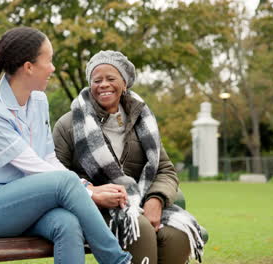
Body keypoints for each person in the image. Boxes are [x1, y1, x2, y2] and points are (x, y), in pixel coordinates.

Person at [0, 28, 133, 264]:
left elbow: (48, 158)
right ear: (29, 67)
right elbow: (32, 167)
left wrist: (85, 187)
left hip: (24, 207)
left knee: (67, 224)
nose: (53, 68)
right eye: (49, 61)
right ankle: (119, 261)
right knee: (67, 182)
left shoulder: (38, 100)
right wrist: (90, 192)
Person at [53, 50, 204, 264]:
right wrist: (93, 192)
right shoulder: (68, 125)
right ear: (90, 85)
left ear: (124, 83)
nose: (103, 84)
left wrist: (156, 200)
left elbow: (165, 169)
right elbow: (55, 174)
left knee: (177, 234)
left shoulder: (144, 121)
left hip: (141, 201)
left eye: (110, 78)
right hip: (94, 208)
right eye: (97, 80)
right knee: (139, 228)